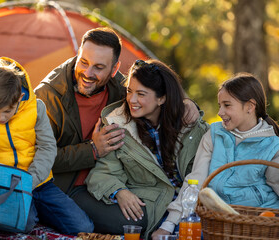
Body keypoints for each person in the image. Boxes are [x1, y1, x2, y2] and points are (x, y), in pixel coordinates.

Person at [34, 27, 200, 233]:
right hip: (64, 184)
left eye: (99, 67)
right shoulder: (48, 96)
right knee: (95, 225)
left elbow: (153, 90)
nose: (87, 73)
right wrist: (92, 150)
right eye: (84, 62)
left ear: (114, 70)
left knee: (146, 214)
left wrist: (186, 103)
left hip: (109, 178)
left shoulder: (122, 89)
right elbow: (38, 158)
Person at [0, 57, 94, 235]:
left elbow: (47, 146)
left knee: (83, 228)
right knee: (22, 225)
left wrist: (31, 180)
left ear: (20, 98)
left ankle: (35, 209)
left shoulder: (36, 108)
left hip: (39, 182)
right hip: (2, 185)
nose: (0, 118)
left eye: (7, 111)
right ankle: (30, 214)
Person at [86, 59, 209, 239]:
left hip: (189, 207)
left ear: (162, 98)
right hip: (151, 207)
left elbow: (202, 176)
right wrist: (119, 191)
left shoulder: (193, 127)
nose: (132, 100)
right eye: (129, 91)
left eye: (141, 94)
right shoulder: (117, 126)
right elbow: (102, 172)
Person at [152, 72, 279, 239]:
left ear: (250, 106)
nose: (220, 112)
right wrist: (168, 225)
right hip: (216, 222)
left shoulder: (272, 145)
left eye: (227, 105)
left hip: (256, 225)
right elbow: (195, 181)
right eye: (220, 105)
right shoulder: (214, 134)